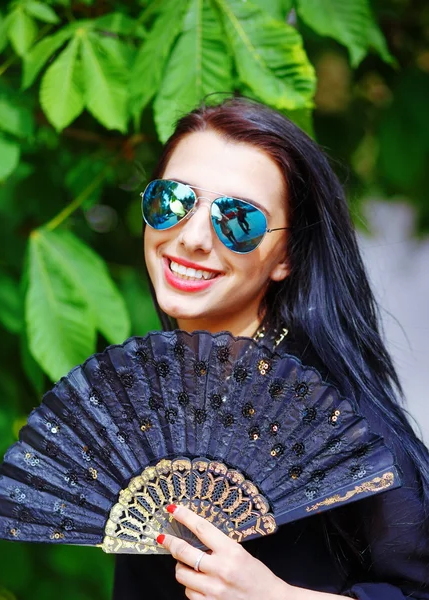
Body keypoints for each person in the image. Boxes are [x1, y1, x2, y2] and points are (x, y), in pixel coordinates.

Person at [113, 98, 429, 599]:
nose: (192, 237)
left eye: (238, 220)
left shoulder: (339, 419)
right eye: (172, 200)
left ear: (286, 257)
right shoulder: (154, 404)